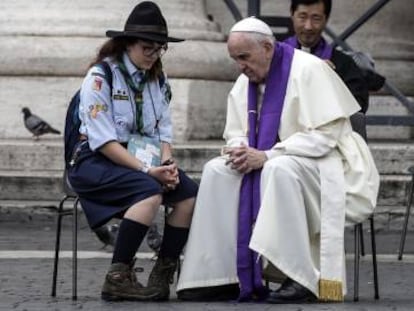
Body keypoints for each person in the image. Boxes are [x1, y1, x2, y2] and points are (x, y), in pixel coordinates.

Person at [176, 17, 379, 303]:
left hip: (326, 162)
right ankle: (220, 276)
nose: (240, 66)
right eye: (235, 59)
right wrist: (239, 150)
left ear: (268, 48)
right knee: (217, 170)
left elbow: (325, 137)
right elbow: (236, 132)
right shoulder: (245, 80)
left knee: (278, 168)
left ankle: (299, 277)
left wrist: (268, 155)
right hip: (274, 160)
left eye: (244, 57)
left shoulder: (309, 69)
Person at [67, 1, 198, 302]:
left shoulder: (159, 80)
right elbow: (103, 141)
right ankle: (118, 276)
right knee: (148, 191)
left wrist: (166, 164)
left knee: (188, 194)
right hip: (94, 160)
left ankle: (162, 272)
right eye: (147, 48)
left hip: (141, 159)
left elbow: (163, 131)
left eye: (160, 48)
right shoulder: (101, 78)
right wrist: (148, 172)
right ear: (127, 44)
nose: (154, 54)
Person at [285, 0, 369, 113]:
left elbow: (359, 106)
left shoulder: (344, 64)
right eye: (302, 17)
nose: (308, 26)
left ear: (326, 19)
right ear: (292, 14)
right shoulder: (274, 58)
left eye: (316, 18)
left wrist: (332, 83)